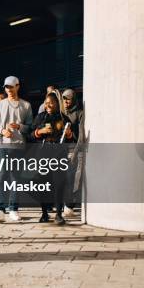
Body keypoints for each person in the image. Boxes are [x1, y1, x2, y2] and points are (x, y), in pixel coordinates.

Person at [0, 76, 33, 223]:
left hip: (19, 147)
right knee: (2, 176)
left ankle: (13, 209)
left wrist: (20, 127)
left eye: (11, 86)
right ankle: (0, 210)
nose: (9, 89)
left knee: (16, 178)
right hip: (2, 146)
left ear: (18, 86)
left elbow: (30, 127)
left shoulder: (26, 106)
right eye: (6, 87)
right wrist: (2, 131)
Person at [29, 91, 73, 225]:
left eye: (51, 103)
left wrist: (70, 134)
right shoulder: (40, 117)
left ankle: (59, 215)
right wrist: (39, 132)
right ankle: (44, 213)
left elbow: (72, 139)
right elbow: (29, 136)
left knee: (59, 184)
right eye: (46, 103)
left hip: (59, 155)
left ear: (57, 103)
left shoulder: (64, 118)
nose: (48, 105)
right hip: (43, 154)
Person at [61, 88, 84, 217]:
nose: (66, 101)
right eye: (64, 98)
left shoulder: (79, 113)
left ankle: (69, 206)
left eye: (68, 98)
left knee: (73, 179)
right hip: (61, 151)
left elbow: (81, 136)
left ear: (74, 99)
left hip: (73, 150)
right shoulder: (61, 114)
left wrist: (75, 152)